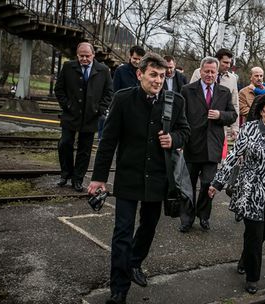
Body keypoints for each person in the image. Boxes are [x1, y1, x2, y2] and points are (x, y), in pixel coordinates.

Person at [88, 53, 190, 304]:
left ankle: (134, 263)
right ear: (140, 74)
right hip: (128, 177)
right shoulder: (123, 99)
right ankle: (119, 289)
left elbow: (185, 131)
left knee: (148, 226)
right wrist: (98, 178)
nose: (157, 80)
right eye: (152, 74)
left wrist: (173, 139)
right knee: (122, 232)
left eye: (162, 76)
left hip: (158, 178)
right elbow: (108, 141)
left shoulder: (175, 101)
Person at [208, 93, 265, 294]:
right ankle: (252, 278)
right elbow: (232, 156)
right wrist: (217, 183)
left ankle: (244, 260)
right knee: (254, 236)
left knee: (262, 235)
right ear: (261, 111)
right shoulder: (250, 129)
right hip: (252, 193)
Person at [179, 56, 237, 232]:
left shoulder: (224, 92)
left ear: (217, 72)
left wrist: (220, 115)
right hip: (192, 145)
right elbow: (180, 116)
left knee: (207, 184)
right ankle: (186, 219)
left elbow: (233, 115)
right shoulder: (187, 90)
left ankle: (203, 216)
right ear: (201, 71)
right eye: (206, 71)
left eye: (213, 72)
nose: (209, 75)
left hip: (213, 146)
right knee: (187, 185)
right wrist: (180, 140)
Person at [54, 42, 113, 192]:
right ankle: (65, 174)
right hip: (70, 114)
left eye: (87, 56)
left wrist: (100, 109)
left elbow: (109, 92)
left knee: (84, 150)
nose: (84, 59)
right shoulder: (68, 67)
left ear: (93, 55)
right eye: (81, 56)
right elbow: (59, 89)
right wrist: (67, 105)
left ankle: (78, 179)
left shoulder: (103, 70)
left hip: (91, 116)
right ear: (77, 55)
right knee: (65, 143)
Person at [190, 48, 239, 139]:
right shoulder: (198, 72)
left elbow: (235, 104)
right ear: (217, 60)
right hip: (197, 126)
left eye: (229, 63)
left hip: (219, 128)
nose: (228, 66)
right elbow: (190, 97)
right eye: (225, 62)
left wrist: (235, 127)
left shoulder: (232, 79)